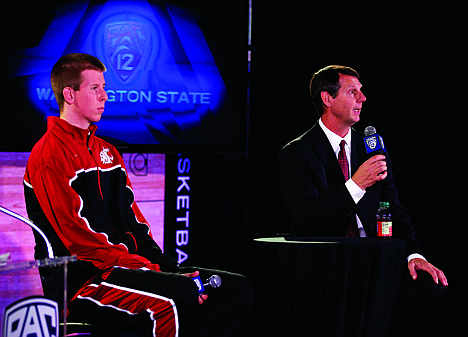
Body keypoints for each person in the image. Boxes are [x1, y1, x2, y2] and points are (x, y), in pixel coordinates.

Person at [24, 53, 254, 337]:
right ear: (69, 95)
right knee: (178, 295)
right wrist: (153, 272)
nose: (105, 96)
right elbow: (81, 241)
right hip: (84, 281)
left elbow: (135, 224)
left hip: (126, 269)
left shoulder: (108, 151)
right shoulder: (48, 156)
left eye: (104, 87)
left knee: (235, 289)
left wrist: (167, 267)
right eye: (95, 88)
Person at [279, 65, 447, 336]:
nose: (363, 98)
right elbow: (310, 222)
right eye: (352, 92)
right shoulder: (297, 153)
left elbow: (393, 206)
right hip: (329, 262)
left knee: (429, 287)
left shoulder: (372, 144)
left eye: (361, 92)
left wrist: (414, 254)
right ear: (327, 99)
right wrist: (356, 184)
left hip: (375, 258)